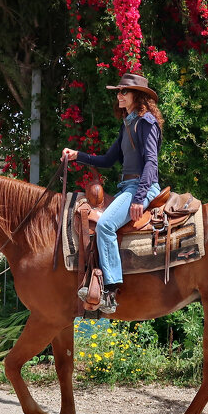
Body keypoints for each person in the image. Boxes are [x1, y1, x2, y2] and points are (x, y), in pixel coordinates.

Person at [61, 73, 164, 314]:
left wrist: (139, 198)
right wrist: (78, 155)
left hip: (142, 186)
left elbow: (151, 163)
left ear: (137, 96)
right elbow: (108, 160)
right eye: (118, 92)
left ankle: (110, 291)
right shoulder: (127, 124)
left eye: (123, 92)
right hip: (126, 188)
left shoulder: (146, 122)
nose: (119, 96)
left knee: (105, 225)